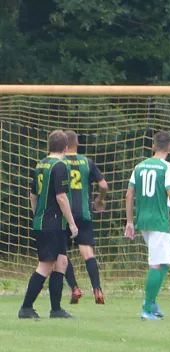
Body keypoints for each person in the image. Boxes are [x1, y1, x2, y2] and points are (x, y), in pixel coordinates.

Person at [18, 130, 79, 319]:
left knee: (61, 262)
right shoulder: (60, 166)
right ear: (66, 147)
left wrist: (36, 213)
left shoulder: (40, 164)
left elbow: (33, 195)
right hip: (52, 223)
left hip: (45, 221)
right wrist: (72, 223)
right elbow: (61, 197)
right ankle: (26, 307)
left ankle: (56, 309)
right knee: (45, 265)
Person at [125, 131, 170, 320]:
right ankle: (147, 307)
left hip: (143, 220)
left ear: (152, 146)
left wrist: (129, 221)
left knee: (166, 260)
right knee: (157, 264)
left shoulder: (139, 167)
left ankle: (151, 301)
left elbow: (129, 195)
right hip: (158, 221)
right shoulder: (167, 168)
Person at [62, 130, 109, 305]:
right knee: (87, 252)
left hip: (63, 215)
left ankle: (75, 288)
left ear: (63, 145)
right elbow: (103, 184)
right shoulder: (87, 162)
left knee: (61, 253)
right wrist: (100, 199)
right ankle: (97, 289)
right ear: (77, 144)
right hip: (84, 213)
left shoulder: (58, 162)